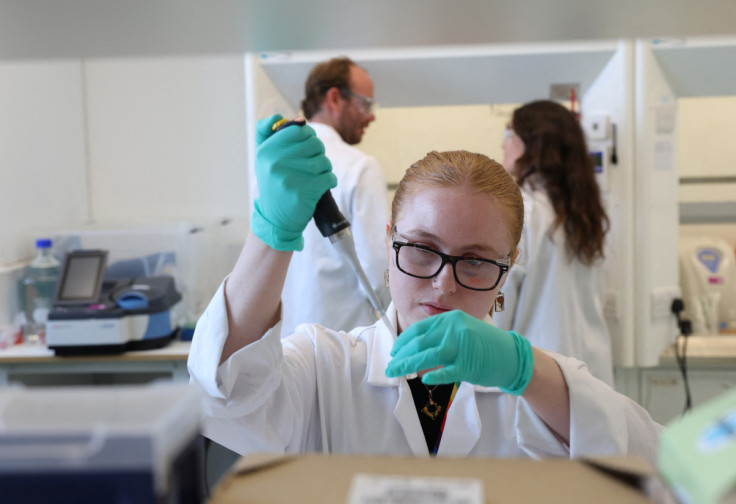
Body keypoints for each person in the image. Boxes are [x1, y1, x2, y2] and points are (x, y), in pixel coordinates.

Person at [188, 117, 662, 464]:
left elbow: (660, 467)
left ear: (509, 264)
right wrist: (269, 233)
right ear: (389, 238)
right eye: (420, 249)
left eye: (475, 260)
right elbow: (227, 397)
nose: (443, 282)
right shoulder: (326, 367)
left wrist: (526, 370)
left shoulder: (542, 387)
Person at [494, 100, 615, 385]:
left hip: (537, 376)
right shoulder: (584, 214)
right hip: (591, 375)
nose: (504, 144)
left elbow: (500, 297)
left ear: (535, 144)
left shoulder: (520, 209)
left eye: (509, 132)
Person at [279, 56, 389, 336]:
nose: (372, 115)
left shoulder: (273, 169)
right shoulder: (359, 167)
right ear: (335, 98)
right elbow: (381, 275)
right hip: (344, 350)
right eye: (365, 104)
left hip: (285, 344)